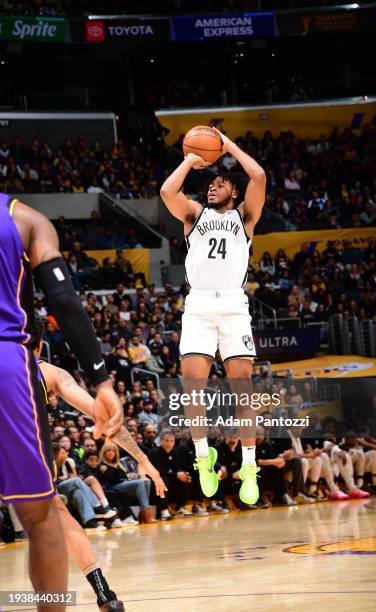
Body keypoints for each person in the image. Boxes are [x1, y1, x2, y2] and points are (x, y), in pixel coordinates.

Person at [0, 194, 123, 611]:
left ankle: (102, 591)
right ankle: (99, 594)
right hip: (8, 371)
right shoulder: (26, 220)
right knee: (44, 520)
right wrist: (103, 381)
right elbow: (64, 301)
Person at [160, 128, 266, 505]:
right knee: (192, 386)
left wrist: (228, 146)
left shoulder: (245, 217)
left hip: (234, 307)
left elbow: (258, 176)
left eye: (220, 183)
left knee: (243, 389)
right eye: (211, 183)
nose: (212, 188)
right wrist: (191, 159)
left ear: (233, 192)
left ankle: (250, 466)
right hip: (200, 305)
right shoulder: (193, 215)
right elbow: (167, 193)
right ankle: (205, 455)